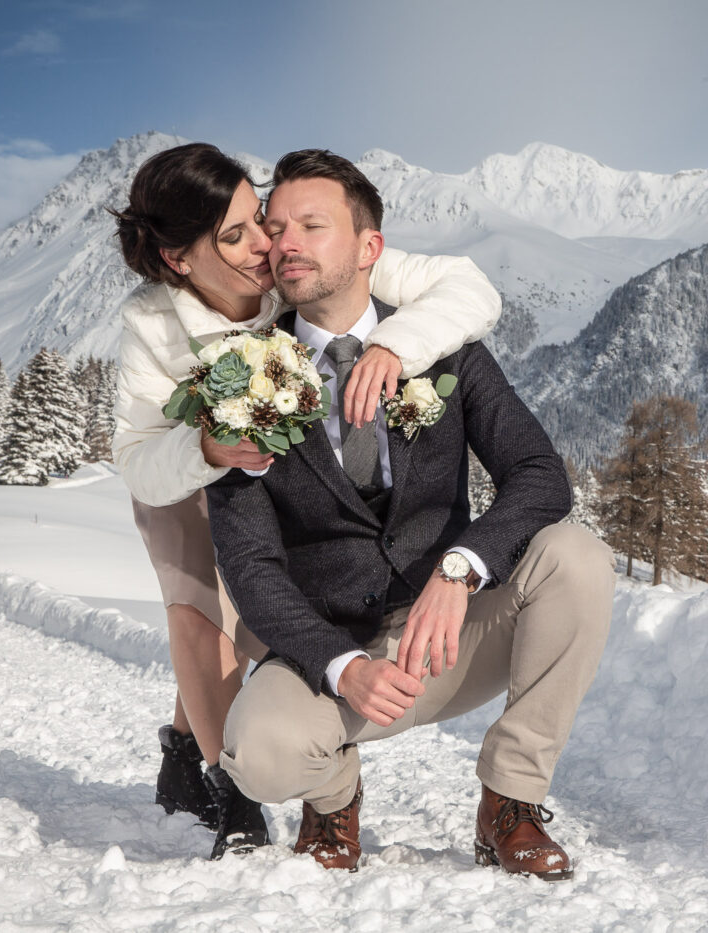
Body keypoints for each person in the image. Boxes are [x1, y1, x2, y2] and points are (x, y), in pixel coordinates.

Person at [206, 150, 614, 879]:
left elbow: (540, 475)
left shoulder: (440, 346)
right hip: (332, 657)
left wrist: (461, 569)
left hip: (450, 640)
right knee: (261, 755)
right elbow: (249, 564)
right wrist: (339, 664)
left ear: (370, 248)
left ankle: (509, 805)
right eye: (275, 227)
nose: (286, 241)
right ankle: (332, 799)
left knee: (576, 557)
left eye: (311, 224)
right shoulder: (241, 379)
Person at [110, 143, 502, 858]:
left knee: (264, 614)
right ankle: (233, 792)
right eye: (235, 236)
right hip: (182, 477)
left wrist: (394, 347)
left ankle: (181, 741)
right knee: (204, 614)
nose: (268, 243)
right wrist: (206, 447)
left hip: (276, 469)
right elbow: (137, 457)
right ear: (178, 260)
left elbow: (471, 289)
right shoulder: (152, 327)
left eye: (256, 216)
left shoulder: (303, 262)